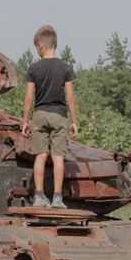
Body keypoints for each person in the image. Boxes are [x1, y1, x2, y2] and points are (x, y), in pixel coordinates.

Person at [21, 24, 77, 208]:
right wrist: (74, 121)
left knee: (40, 155)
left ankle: (38, 196)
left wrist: (25, 120)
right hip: (59, 114)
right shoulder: (65, 68)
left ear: (40, 45)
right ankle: (57, 198)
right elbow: (70, 96)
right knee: (58, 156)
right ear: (55, 44)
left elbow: (29, 97)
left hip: (39, 114)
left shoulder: (34, 68)